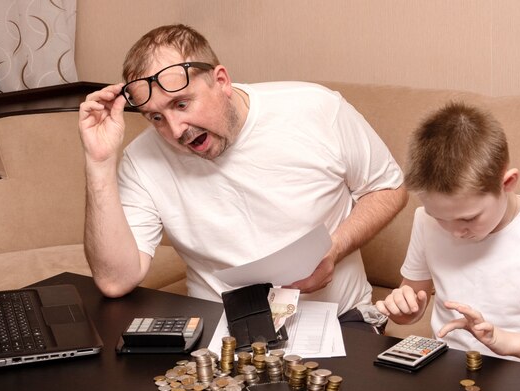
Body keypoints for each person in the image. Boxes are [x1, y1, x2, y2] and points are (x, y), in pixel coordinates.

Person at [78, 24, 408, 329]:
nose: (175, 130)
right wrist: (99, 162)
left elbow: (389, 188)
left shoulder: (315, 108)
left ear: (221, 81)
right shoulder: (142, 159)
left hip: (339, 321)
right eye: (156, 117)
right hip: (222, 333)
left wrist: (334, 249)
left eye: (181, 104)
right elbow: (114, 281)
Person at [376, 102, 520, 371]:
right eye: (439, 217)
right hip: (447, 375)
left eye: (468, 218)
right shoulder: (425, 221)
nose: (455, 231)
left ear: (508, 183)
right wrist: (406, 310)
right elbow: (414, 299)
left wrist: (505, 341)